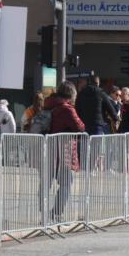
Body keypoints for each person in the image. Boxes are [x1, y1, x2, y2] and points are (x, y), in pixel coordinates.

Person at [45, 82, 85, 220]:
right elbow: (80, 127)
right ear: (71, 94)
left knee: (46, 183)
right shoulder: (67, 109)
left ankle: (40, 212)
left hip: (46, 149)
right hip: (63, 152)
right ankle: (57, 213)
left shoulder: (47, 104)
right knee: (66, 182)